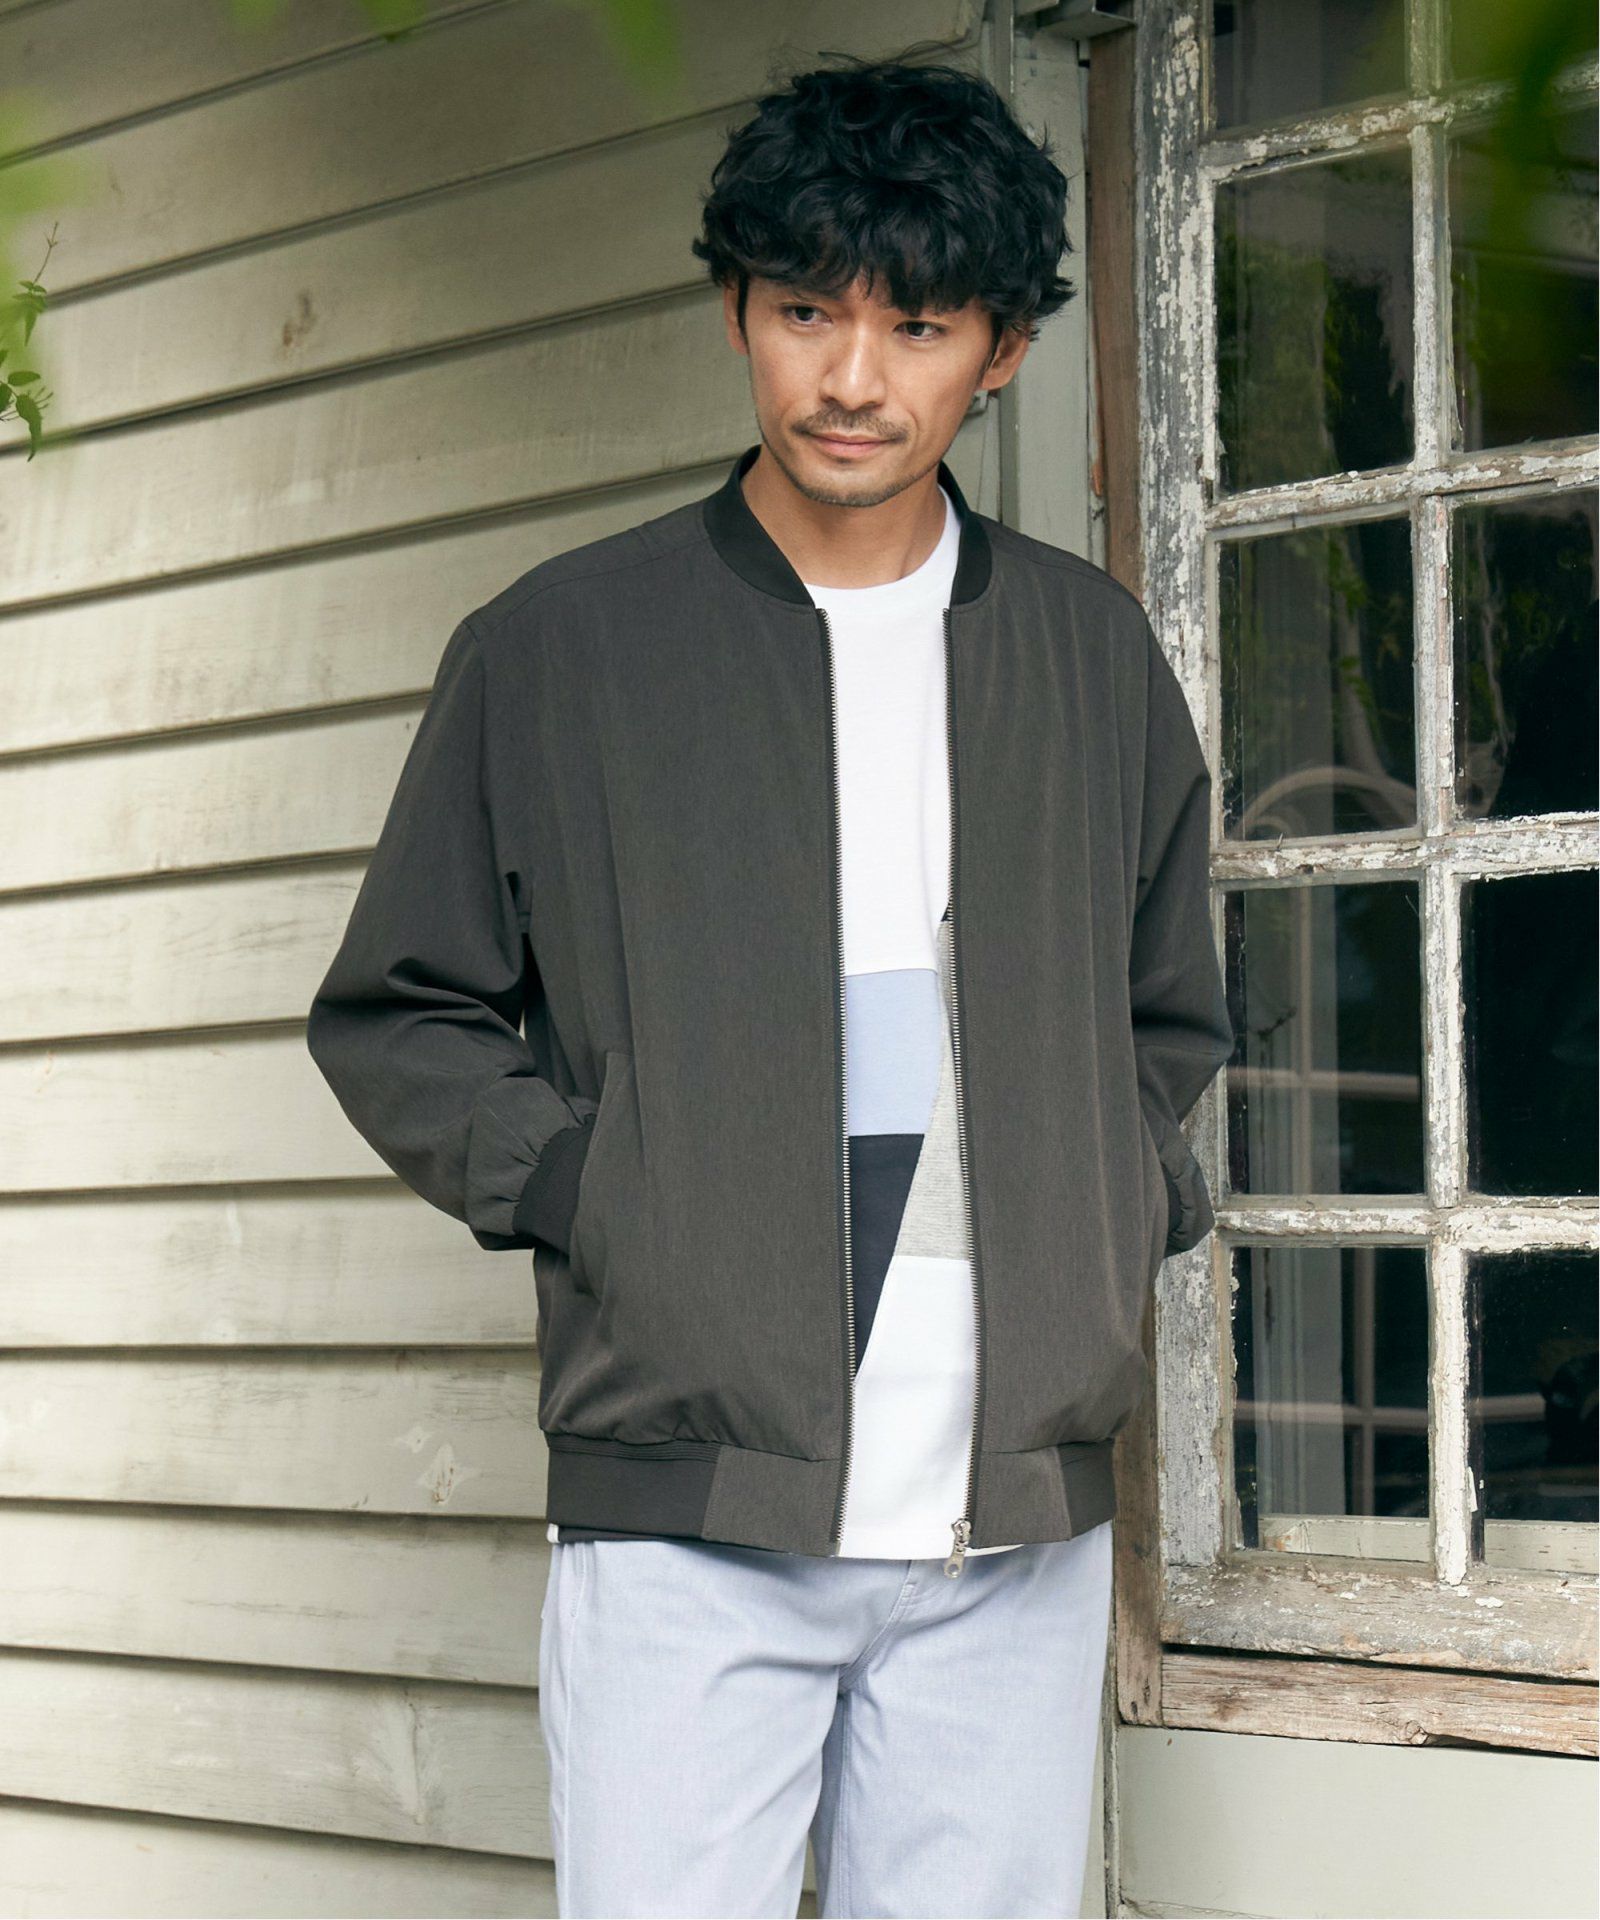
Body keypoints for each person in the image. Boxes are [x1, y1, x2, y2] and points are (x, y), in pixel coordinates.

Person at [307, 50, 1233, 1920]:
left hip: (1011, 1523)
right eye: (808, 310)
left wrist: (1117, 1201)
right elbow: (400, 1009)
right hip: (692, 1514)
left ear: (1004, 352)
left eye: (919, 325)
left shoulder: (1091, 658)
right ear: (737, 308)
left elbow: (1168, 1014)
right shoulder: (564, 648)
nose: (853, 378)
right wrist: (601, 1192)